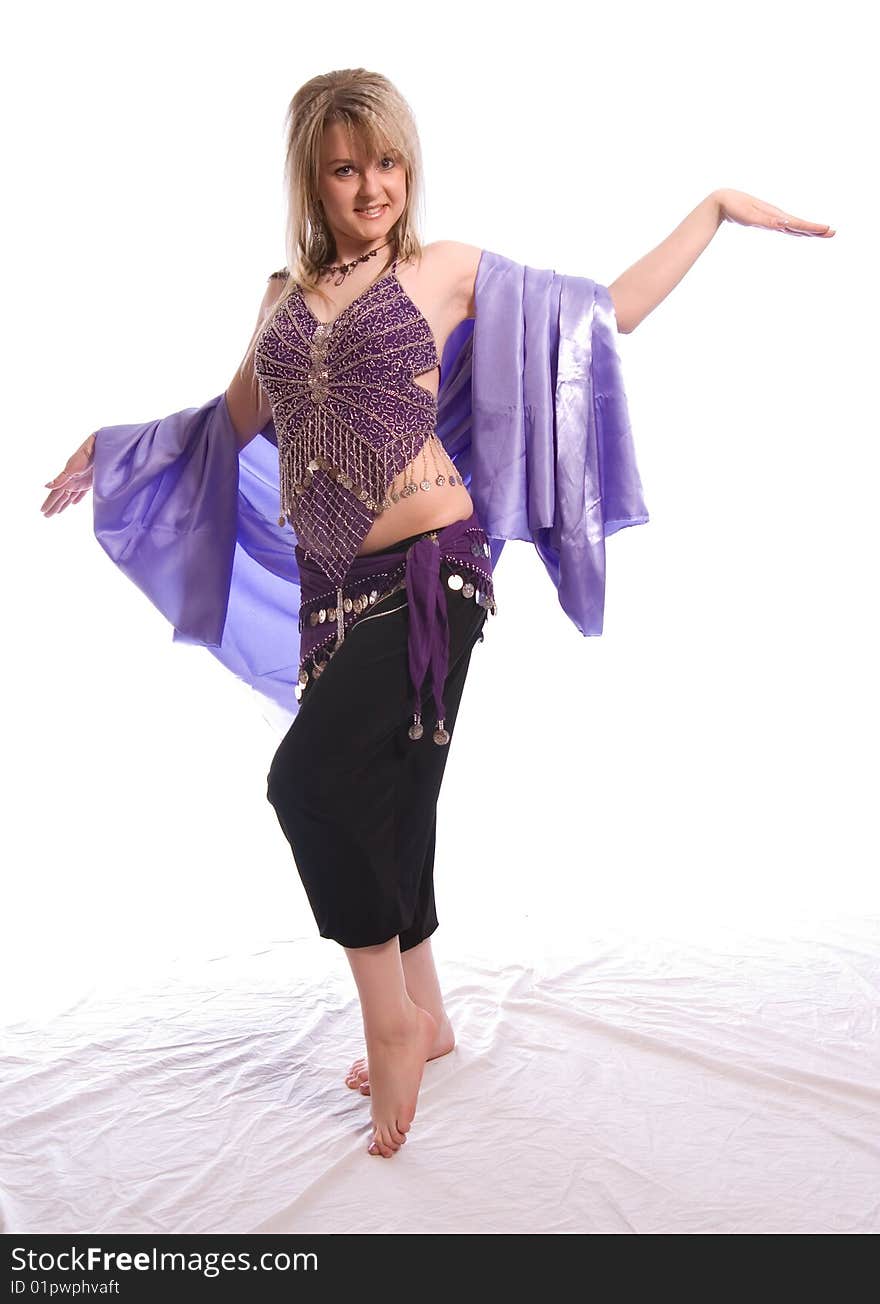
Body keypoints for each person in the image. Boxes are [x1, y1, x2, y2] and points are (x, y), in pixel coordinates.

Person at [41, 69, 834, 1161]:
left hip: (433, 569)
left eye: (389, 162)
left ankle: (391, 1018)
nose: (372, 185)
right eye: (346, 167)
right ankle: (436, 1012)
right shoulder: (278, 300)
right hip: (333, 594)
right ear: (312, 182)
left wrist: (711, 211)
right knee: (391, 796)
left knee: (309, 782)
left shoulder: (444, 270)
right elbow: (227, 424)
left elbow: (606, 316)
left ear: (408, 169)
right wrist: (115, 442)